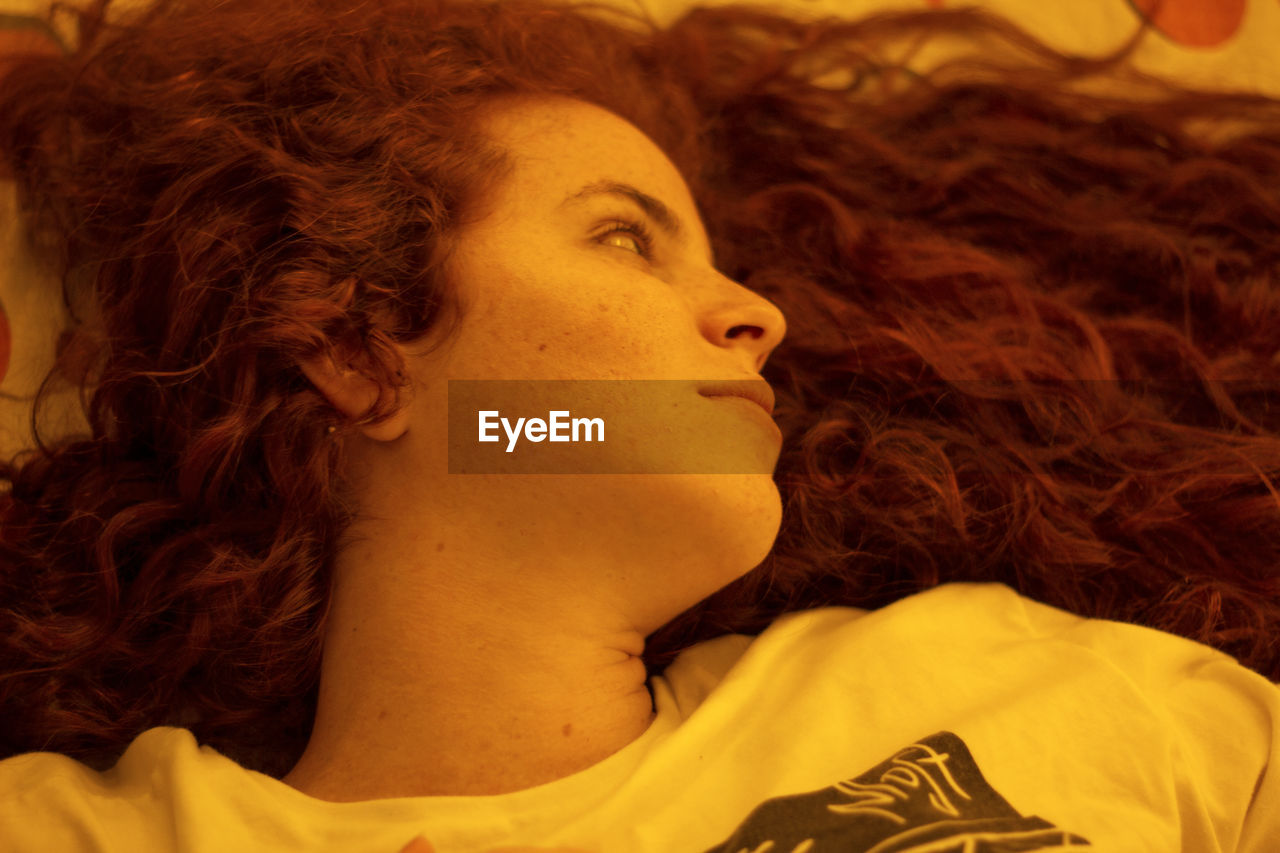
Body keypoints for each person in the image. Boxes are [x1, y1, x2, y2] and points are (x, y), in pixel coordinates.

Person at [0, 0, 1277, 849]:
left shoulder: (1013, 679)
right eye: (626, 237)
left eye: (717, 262)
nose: (755, 313)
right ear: (355, 350)